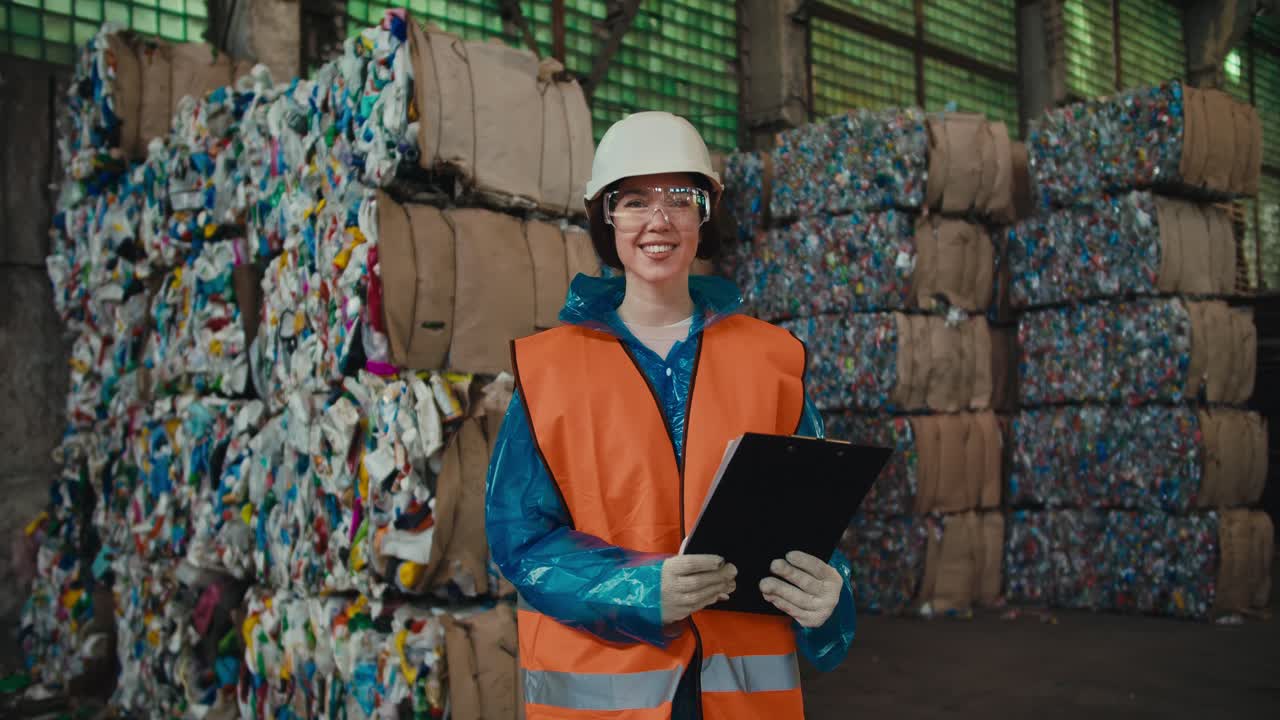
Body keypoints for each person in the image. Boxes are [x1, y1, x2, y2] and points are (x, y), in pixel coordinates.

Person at [486, 111, 856, 720]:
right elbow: (521, 542)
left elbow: (809, 523)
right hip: (608, 698)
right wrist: (638, 588)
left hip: (740, 698)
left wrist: (829, 592)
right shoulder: (548, 369)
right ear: (607, 217)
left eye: (679, 199)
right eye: (634, 201)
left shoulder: (772, 360)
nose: (658, 221)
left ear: (704, 214)